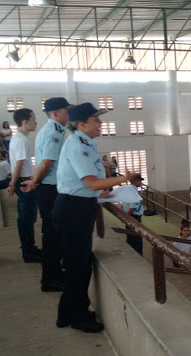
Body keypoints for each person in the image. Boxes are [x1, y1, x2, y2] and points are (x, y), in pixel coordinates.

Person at [52, 102, 140, 333]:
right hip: (73, 210)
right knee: (78, 266)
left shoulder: (84, 142)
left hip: (78, 205)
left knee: (76, 263)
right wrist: (124, 179)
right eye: (96, 120)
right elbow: (91, 182)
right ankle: (79, 317)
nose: (101, 123)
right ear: (82, 124)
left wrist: (103, 190)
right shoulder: (78, 146)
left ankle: (65, 314)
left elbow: (90, 184)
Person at [21, 97, 72, 292]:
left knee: (55, 234)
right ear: (55, 114)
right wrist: (35, 182)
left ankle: (54, 275)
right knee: (52, 236)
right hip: (50, 189)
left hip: (49, 187)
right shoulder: (54, 132)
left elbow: (42, 163)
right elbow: (46, 163)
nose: (68, 114)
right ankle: (50, 279)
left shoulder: (51, 130)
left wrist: (36, 181)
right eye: (65, 110)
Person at [7, 108, 40, 263]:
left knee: (26, 218)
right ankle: (28, 251)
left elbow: (24, 163)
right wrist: (12, 184)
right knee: (26, 218)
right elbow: (19, 165)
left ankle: (29, 248)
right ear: (25, 122)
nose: (36, 122)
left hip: (24, 179)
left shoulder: (18, 138)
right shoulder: (21, 140)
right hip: (23, 181)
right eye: (33, 119)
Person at [122, 175, 145, 256]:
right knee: (137, 238)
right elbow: (132, 207)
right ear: (136, 181)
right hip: (134, 217)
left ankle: (130, 254)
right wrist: (127, 216)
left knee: (130, 236)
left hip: (127, 215)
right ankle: (138, 255)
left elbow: (122, 204)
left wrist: (124, 216)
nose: (141, 183)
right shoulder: (134, 192)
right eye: (140, 181)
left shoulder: (127, 189)